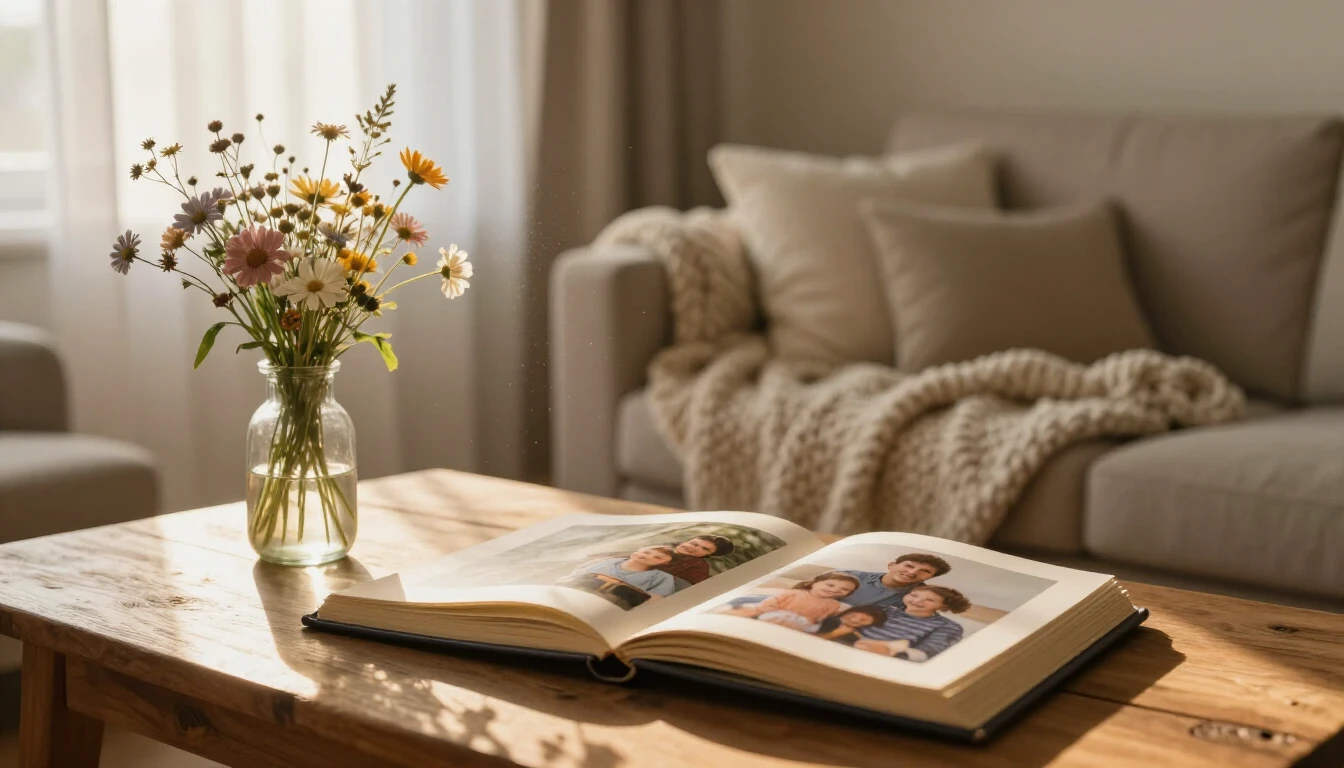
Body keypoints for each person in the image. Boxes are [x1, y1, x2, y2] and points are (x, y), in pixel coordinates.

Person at [853, 585, 970, 662]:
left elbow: (928, 653)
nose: (917, 601)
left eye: (930, 600)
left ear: (944, 607)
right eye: (914, 595)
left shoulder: (947, 626)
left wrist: (888, 651)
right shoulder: (882, 609)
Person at [723, 571, 860, 630]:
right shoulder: (794, 593)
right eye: (830, 585)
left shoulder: (834, 604)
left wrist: (811, 624)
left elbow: (821, 618)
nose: (836, 590)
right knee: (745, 609)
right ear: (814, 583)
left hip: (802, 623)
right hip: (772, 614)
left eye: (844, 590)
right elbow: (770, 603)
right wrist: (766, 611)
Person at [840, 553, 952, 609]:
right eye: (908, 566)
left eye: (925, 571)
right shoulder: (850, 576)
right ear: (891, 565)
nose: (913, 572)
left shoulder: (921, 598)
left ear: (930, 578)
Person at [570, 546, 678, 601]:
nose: (648, 556)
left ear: (665, 563)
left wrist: (617, 584)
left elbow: (657, 600)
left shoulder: (661, 577)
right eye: (646, 552)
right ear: (637, 552)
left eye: (658, 557)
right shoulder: (609, 561)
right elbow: (579, 577)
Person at [653, 534, 736, 587]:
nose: (693, 548)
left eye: (705, 549)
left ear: (707, 555)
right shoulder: (661, 546)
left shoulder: (697, 566)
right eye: (694, 543)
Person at [812, 605, 888, 645]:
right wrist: (833, 634)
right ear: (847, 612)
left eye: (863, 620)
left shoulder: (852, 637)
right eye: (853, 616)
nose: (854, 620)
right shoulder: (827, 618)